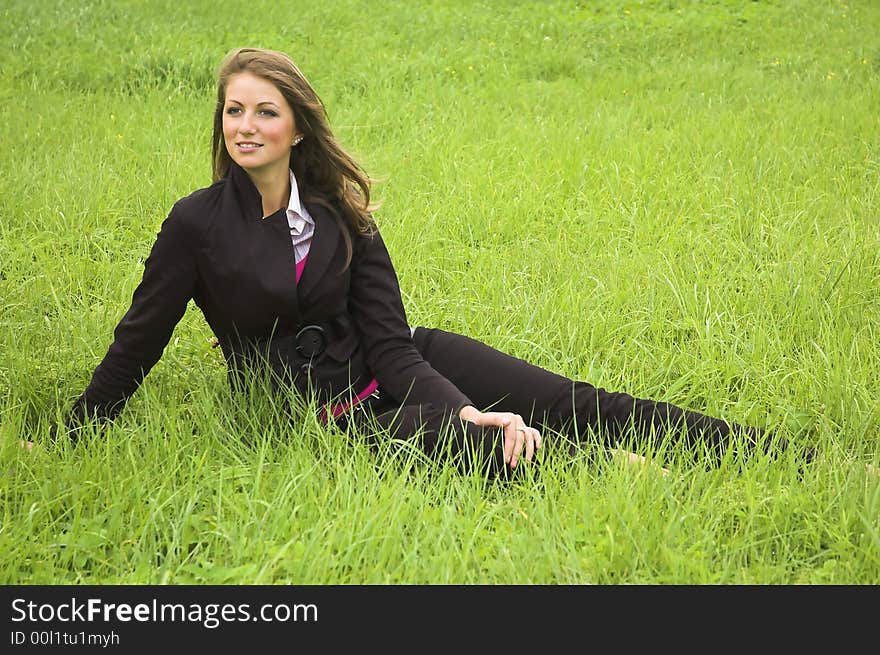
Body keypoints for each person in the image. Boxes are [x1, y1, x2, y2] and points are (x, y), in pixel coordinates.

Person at [53, 47, 770, 476]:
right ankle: (632, 475)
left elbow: (392, 344)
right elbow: (138, 339)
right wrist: (75, 432)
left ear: (297, 125)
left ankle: (780, 457)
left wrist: (456, 401)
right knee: (498, 450)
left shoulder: (341, 211)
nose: (246, 127)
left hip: (399, 366)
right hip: (326, 419)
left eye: (265, 111)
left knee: (576, 402)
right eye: (234, 111)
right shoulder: (195, 224)